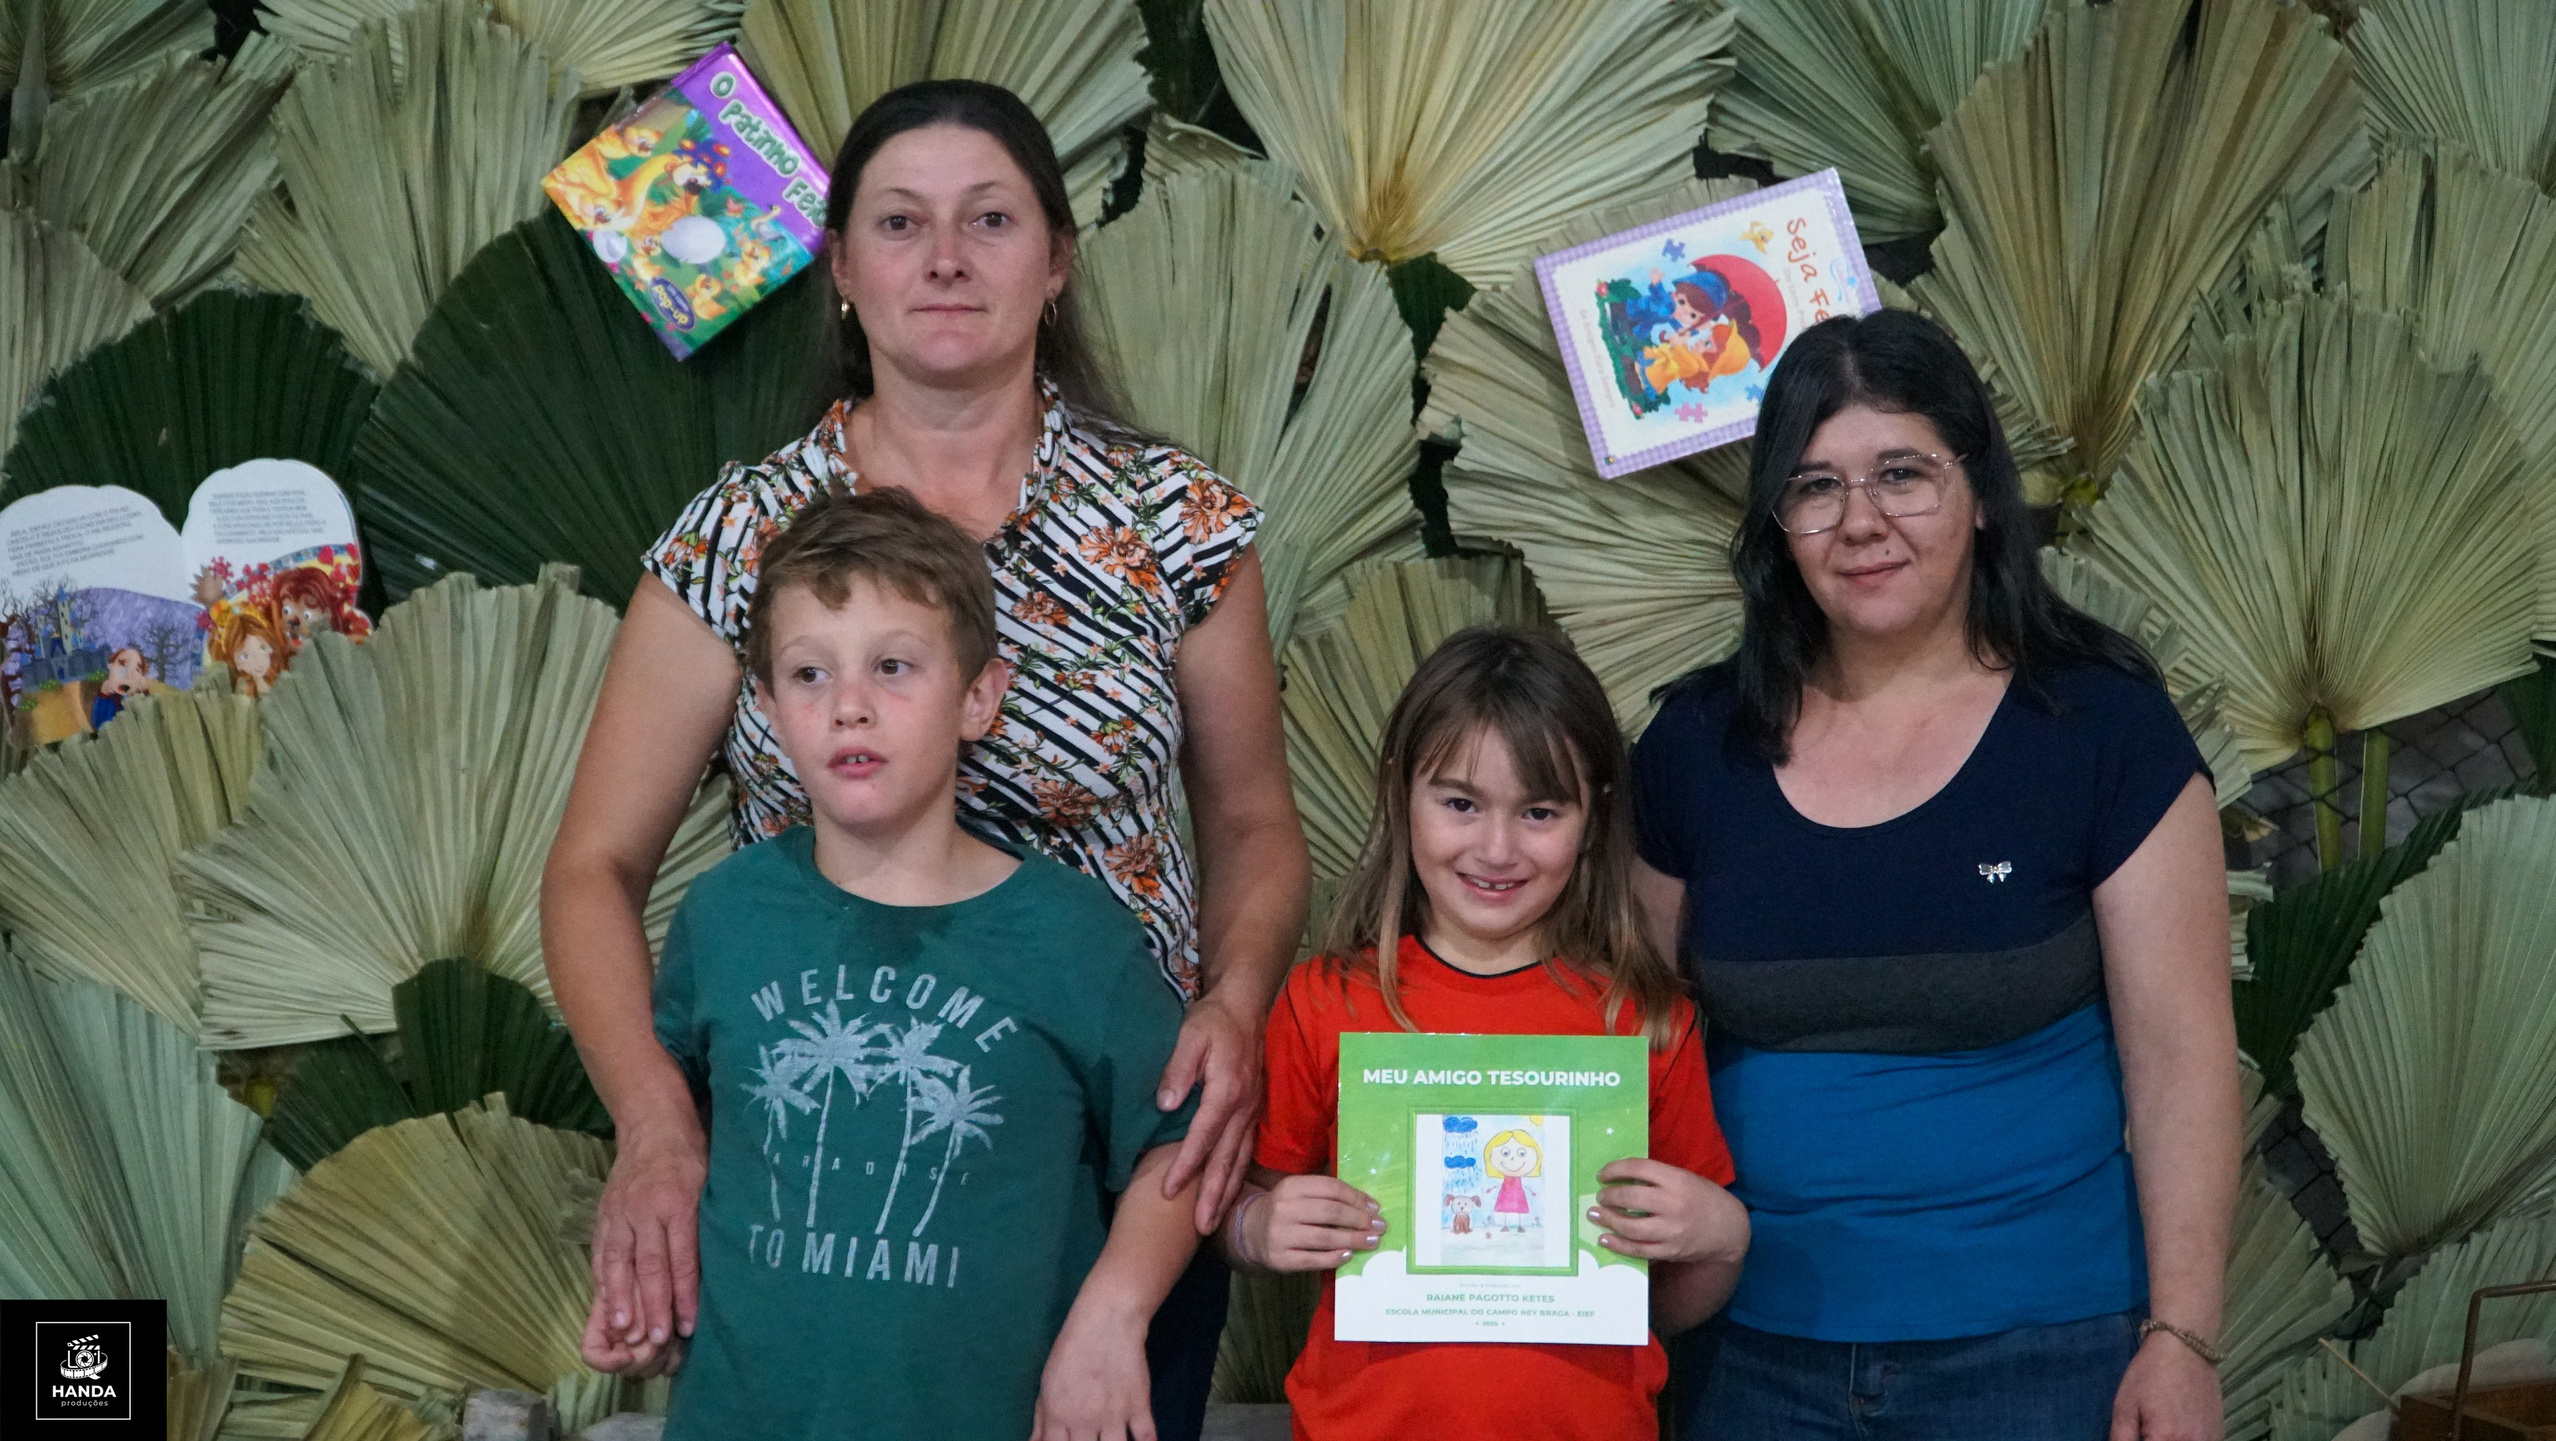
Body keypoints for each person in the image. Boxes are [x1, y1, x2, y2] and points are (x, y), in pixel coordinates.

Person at [540, 78, 1307, 1441]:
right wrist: (659, 1128)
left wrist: (1236, 1004)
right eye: (899, 224)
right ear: (839, 269)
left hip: (1126, 1161)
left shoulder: (1177, 521)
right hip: (836, 1180)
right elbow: (593, 866)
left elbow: (1252, 821)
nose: (945, 258)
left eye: (990, 219)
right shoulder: (742, 534)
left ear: (1057, 259)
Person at [1630, 309, 2238, 1441]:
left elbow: (2182, 1058)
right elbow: (1625, 1034)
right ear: (1777, 523)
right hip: (1747, 1354)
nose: (1859, 522)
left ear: (1976, 488)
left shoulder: (2101, 727)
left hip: (2043, 1353)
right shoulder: (1693, 746)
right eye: (1815, 488)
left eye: (1900, 474)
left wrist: (2181, 1337)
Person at [585, 487, 1202, 1440]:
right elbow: (682, 1126)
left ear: (980, 695)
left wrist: (1112, 1314)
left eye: (894, 666)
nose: (851, 708)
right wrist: (653, 1290)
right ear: (765, 708)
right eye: (808, 674)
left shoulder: (1077, 937)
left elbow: (1179, 1141)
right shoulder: (727, 914)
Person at [1230, 625, 1750, 1440]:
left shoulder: (1642, 1020)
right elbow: (1249, 1206)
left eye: (1540, 810)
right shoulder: (1327, 1000)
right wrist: (1256, 1230)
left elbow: (1665, 1299)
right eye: (1461, 802)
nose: (1497, 848)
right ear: (1403, 792)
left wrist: (1723, 1237)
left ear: (1592, 816)